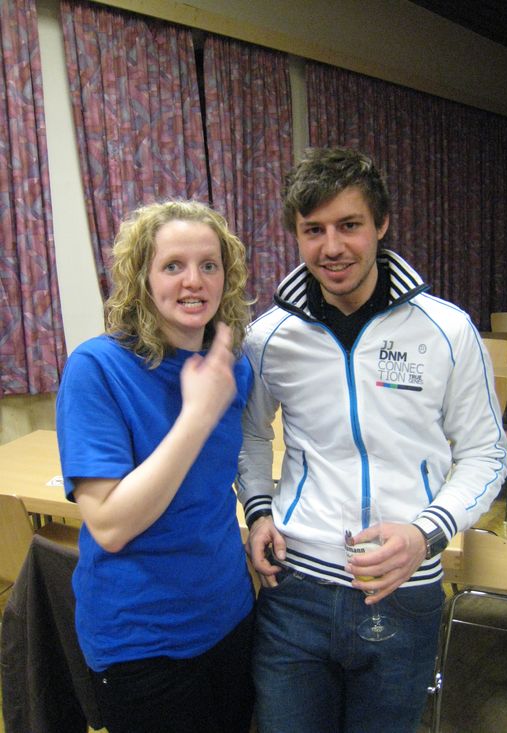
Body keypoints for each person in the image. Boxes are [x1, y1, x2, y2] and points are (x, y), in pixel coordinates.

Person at [237, 148, 507, 733]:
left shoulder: (446, 329)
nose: (331, 247)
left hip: (402, 588)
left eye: (349, 225)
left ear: (381, 224)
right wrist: (258, 511)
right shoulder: (268, 338)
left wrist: (426, 533)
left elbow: (486, 452)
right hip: (294, 588)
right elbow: (250, 437)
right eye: (313, 230)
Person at [56, 200, 255, 733]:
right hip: (141, 642)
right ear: (142, 278)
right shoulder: (96, 368)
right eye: (172, 266)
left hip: (230, 615)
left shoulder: (230, 364)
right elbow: (110, 524)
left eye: (209, 265)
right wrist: (197, 414)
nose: (194, 281)